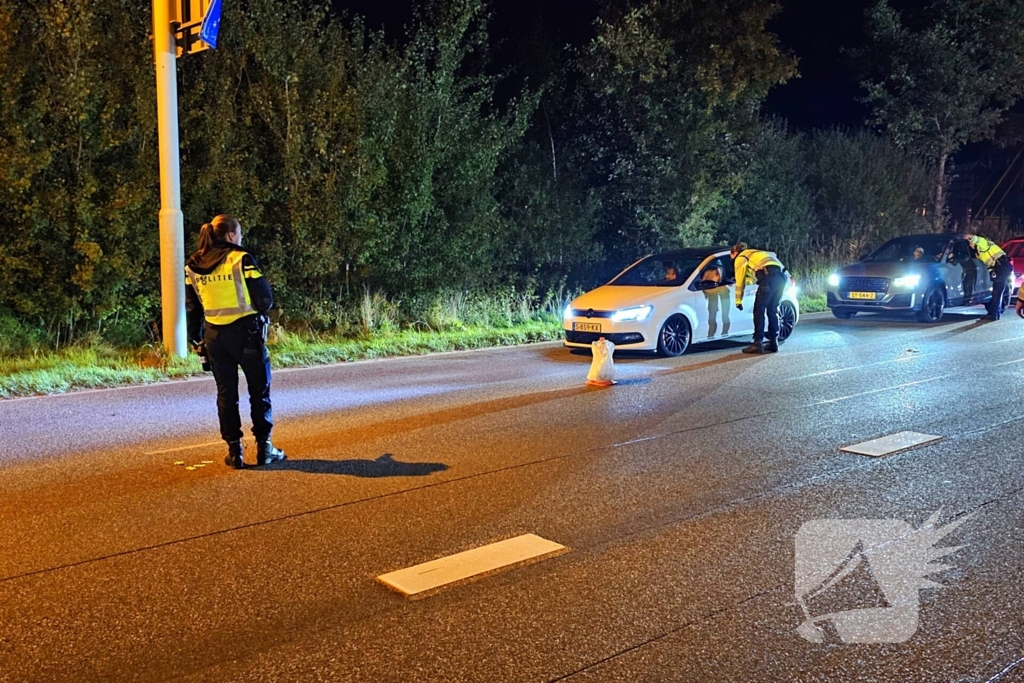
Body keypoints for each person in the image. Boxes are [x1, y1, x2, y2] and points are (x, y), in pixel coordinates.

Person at [185, 215, 286, 469]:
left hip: (214, 337)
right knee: (259, 390)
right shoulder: (241, 259)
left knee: (226, 394)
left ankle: (235, 452)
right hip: (246, 333)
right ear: (231, 236)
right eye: (239, 234)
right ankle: (265, 447)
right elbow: (265, 301)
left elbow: (191, 307)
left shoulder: (193, 265)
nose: (240, 239)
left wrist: (196, 338)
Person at [731, 241, 787, 354]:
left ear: (735, 253)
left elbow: (740, 281)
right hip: (781, 277)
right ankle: (773, 342)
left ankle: (757, 343)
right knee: (773, 310)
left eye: (731, 256)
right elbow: (755, 276)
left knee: (758, 310)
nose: (731, 259)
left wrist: (738, 300)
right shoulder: (754, 253)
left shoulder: (740, 258)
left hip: (768, 278)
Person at [967, 234, 1012, 320]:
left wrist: (970, 237)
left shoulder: (984, 245)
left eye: (970, 243)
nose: (969, 245)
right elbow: (989, 264)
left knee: (997, 292)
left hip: (1002, 266)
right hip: (999, 268)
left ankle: (993, 314)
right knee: (997, 291)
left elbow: (980, 240)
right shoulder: (978, 253)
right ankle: (995, 313)